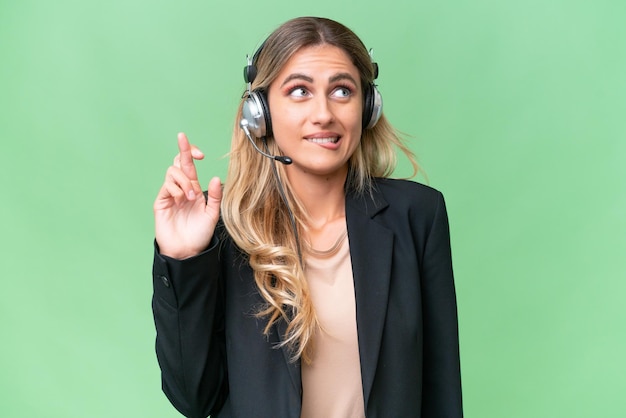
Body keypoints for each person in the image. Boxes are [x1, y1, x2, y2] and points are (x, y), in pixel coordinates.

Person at [152, 16, 462, 418]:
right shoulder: (227, 234)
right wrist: (183, 258)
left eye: (342, 91)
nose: (323, 114)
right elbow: (194, 398)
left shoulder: (418, 216)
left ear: (366, 108)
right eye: (299, 91)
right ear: (258, 114)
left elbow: (441, 390)